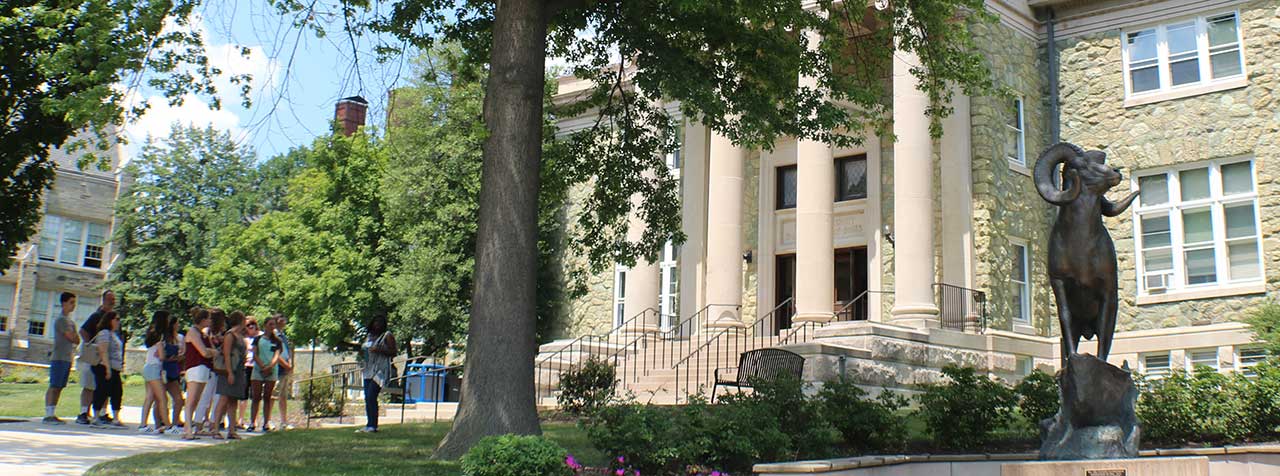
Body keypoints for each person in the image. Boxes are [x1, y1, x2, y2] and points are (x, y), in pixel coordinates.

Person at [75, 290, 114, 425]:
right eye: (110, 299)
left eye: (113, 299)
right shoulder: (96, 316)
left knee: (104, 386)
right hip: (94, 356)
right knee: (89, 384)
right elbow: (82, 331)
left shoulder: (111, 318)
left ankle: (102, 413)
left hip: (105, 357)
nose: (112, 302)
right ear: (103, 300)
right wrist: (89, 345)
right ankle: (83, 412)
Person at [43, 292, 79, 425]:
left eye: (74, 303)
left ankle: (53, 412)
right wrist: (73, 336)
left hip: (67, 358)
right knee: (54, 385)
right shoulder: (61, 320)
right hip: (58, 357)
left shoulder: (71, 322)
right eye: (71, 302)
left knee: (60, 387)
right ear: (63, 303)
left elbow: (77, 340)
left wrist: (74, 336)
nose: (73, 305)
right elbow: (70, 337)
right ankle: (48, 414)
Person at [139, 311, 178, 434]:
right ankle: (168, 426)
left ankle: (143, 424)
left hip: (148, 367)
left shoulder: (151, 333)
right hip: (155, 368)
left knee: (150, 397)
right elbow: (161, 356)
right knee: (162, 398)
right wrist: (168, 357)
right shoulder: (160, 337)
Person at [212, 311, 248, 440]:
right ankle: (215, 428)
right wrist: (230, 372)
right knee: (224, 399)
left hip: (239, 370)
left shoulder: (240, 335)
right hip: (229, 370)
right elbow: (226, 354)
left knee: (233, 401)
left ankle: (232, 429)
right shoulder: (230, 335)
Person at [358, 313, 396, 434]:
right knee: (367, 398)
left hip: (380, 370)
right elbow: (363, 348)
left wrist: (379, 349)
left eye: (380, 323)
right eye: (375, 322)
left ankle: (373, 426)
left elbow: (393, 352)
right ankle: (369, 424)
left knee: (371, 396)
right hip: (368, 370)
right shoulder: (369, 336)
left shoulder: (387, 336)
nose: (377, 325)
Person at [181, 308, 214, 440]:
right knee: (191, 399)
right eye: (209, 318)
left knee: (196, 400)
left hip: (203, 368)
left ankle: (189, 427)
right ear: (203, 319)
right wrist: (213, 352)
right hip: (196, 368)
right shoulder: (193, 332)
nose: (210, 321)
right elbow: (204, 352)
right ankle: (188, 429)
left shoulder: (202, 333)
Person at [91, 311, 125, 428]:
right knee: (102, 391)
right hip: (104, 366)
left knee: (117, 391)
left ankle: (116, 418)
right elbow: (103, 350)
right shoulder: (104, 333)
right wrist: (107, 368)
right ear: (109, 320)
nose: (118, 322)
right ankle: (96, 417)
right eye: (116, 319)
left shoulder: (113, 334)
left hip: (115, 367)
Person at [197, 308, 227, 434]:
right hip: (211, 367)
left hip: (219, 368)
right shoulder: (206, 332)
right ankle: (198, 423)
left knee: (217, 397)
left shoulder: (224, 333)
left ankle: (213, 423)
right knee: (206, 396)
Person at [249, 317, 282, 432]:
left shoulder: (277, 341)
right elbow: (254, 354)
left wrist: (270, 367)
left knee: (267, 397)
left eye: (274, 325)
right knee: (256, 397)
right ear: (265, 325)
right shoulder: (258, 339)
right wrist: (262, 366)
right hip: (258, 370)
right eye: (270, 324)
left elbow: (277, 355)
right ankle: (252, 422)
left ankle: (266, 422)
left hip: (272, 371)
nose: (272, 327)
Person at [162, 313, 186, 428]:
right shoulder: (163, 338)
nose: (178, 325)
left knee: (179, 398)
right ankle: (161, 421)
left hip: (173, 369)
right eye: (176, 323)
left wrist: (179, 358)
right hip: (162, 369)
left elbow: (183, 354)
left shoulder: (179, 338)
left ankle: (175, 420)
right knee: (161, 398)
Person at [273, 313, 294, 430]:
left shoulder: (283, 336)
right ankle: (269, 421)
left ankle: (284, 421)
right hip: (278, 369)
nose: (284, 321)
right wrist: (285, 364)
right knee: (273, 395)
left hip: (285, 369)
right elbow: (275, 353)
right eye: (282, 319)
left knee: (283, 396)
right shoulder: (274, 335)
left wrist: (290, 363)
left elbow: (287, 351)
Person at [239, 317, 258, 430]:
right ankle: (240, 419)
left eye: (253, 324)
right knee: (243, 394)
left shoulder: (260, 337)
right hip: (246, 367)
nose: (251, 327)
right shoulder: (243, 339)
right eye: (248, 325)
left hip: (257, 367)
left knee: (255, 394)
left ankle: (253, 420)